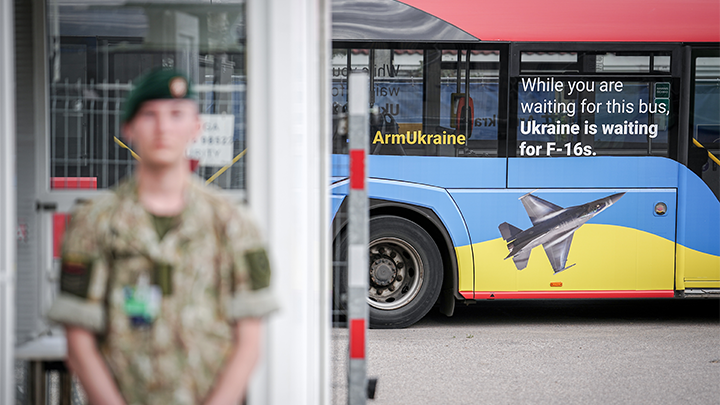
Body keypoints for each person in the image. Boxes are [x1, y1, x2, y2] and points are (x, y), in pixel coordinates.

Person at [47, 68, 278, 405]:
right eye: (149, 115)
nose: (163, 128)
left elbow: (250, 339)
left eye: (176, 114)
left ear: (196, 127)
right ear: (128, 128)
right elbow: (79, 340)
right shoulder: (95, 222)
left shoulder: (230, 223)